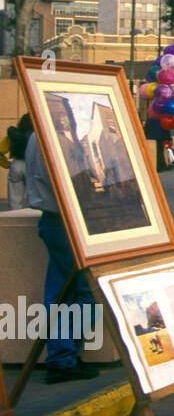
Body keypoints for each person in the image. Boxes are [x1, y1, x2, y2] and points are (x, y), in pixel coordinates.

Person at [25, 135, 99, 383]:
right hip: (64, 219)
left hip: (57, 220)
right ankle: (63, 357)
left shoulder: (41, 132)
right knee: (84, 290)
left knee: (61, 292)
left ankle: (62, 356)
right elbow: (64, 178)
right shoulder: (47, 132)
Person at [1, 113, 33, 210]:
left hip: (16, 164)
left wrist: (7, 165)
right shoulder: (37, 136)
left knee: (15, 199)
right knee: (34, 197)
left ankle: (15, 216)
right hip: (33, 165)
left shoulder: (12, 135)